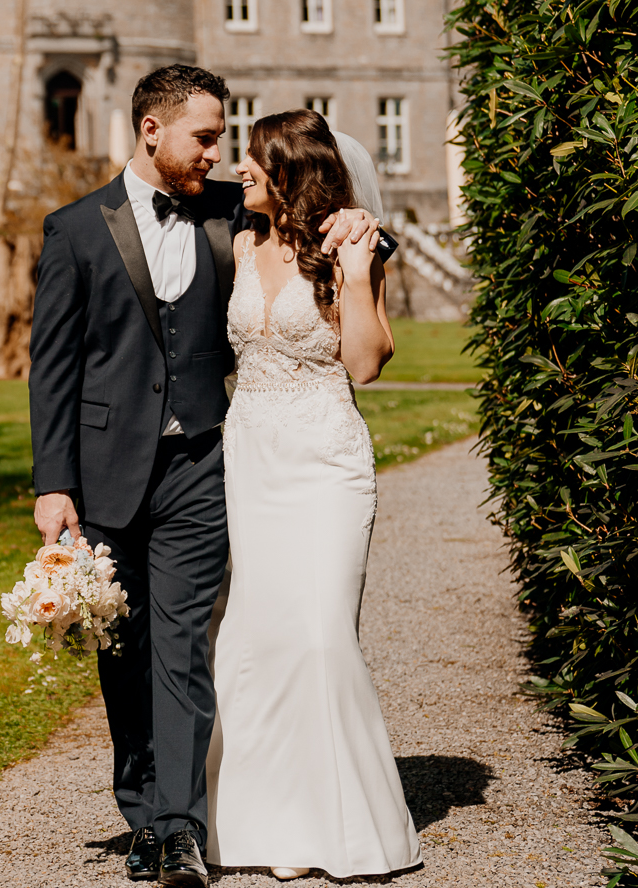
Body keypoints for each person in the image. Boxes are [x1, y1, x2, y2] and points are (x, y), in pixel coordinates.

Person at [28, 68, 380, 887]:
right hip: (106, 468)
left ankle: (180, 828)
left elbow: (317, 218)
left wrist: (363, 221)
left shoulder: (231, 208)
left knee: (184, 641)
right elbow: (51, 368)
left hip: (203, 462)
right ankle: (142, 808)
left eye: (224, 139)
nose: (219, 154)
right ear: (152, 130)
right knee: (125, 646)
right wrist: (54, 484)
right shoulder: (75, 230)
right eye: (206, 137)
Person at [204, 108, 421, 879]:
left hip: (326, 460)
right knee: (258, 637)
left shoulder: (348, 249)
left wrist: (359, 277)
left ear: (289, 169)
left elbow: (365, 364)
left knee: (324, 634)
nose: (240, 170)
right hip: (253, 460)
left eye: (256, 161)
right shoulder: (236, 242)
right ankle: (259, 829)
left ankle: (343, 829)